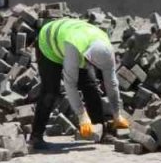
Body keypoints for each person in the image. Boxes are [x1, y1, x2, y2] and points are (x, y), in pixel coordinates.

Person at [31, 17, 127, 151]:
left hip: (73, 40)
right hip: (49, 44)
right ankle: (36, 137)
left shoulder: (106, 48)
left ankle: (102, 132)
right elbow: (70, 84)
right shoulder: (74, 47)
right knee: (50, 91)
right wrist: (82, 116)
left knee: (90, 85)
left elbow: (111, 83)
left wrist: (117, 113)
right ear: (88, 58)